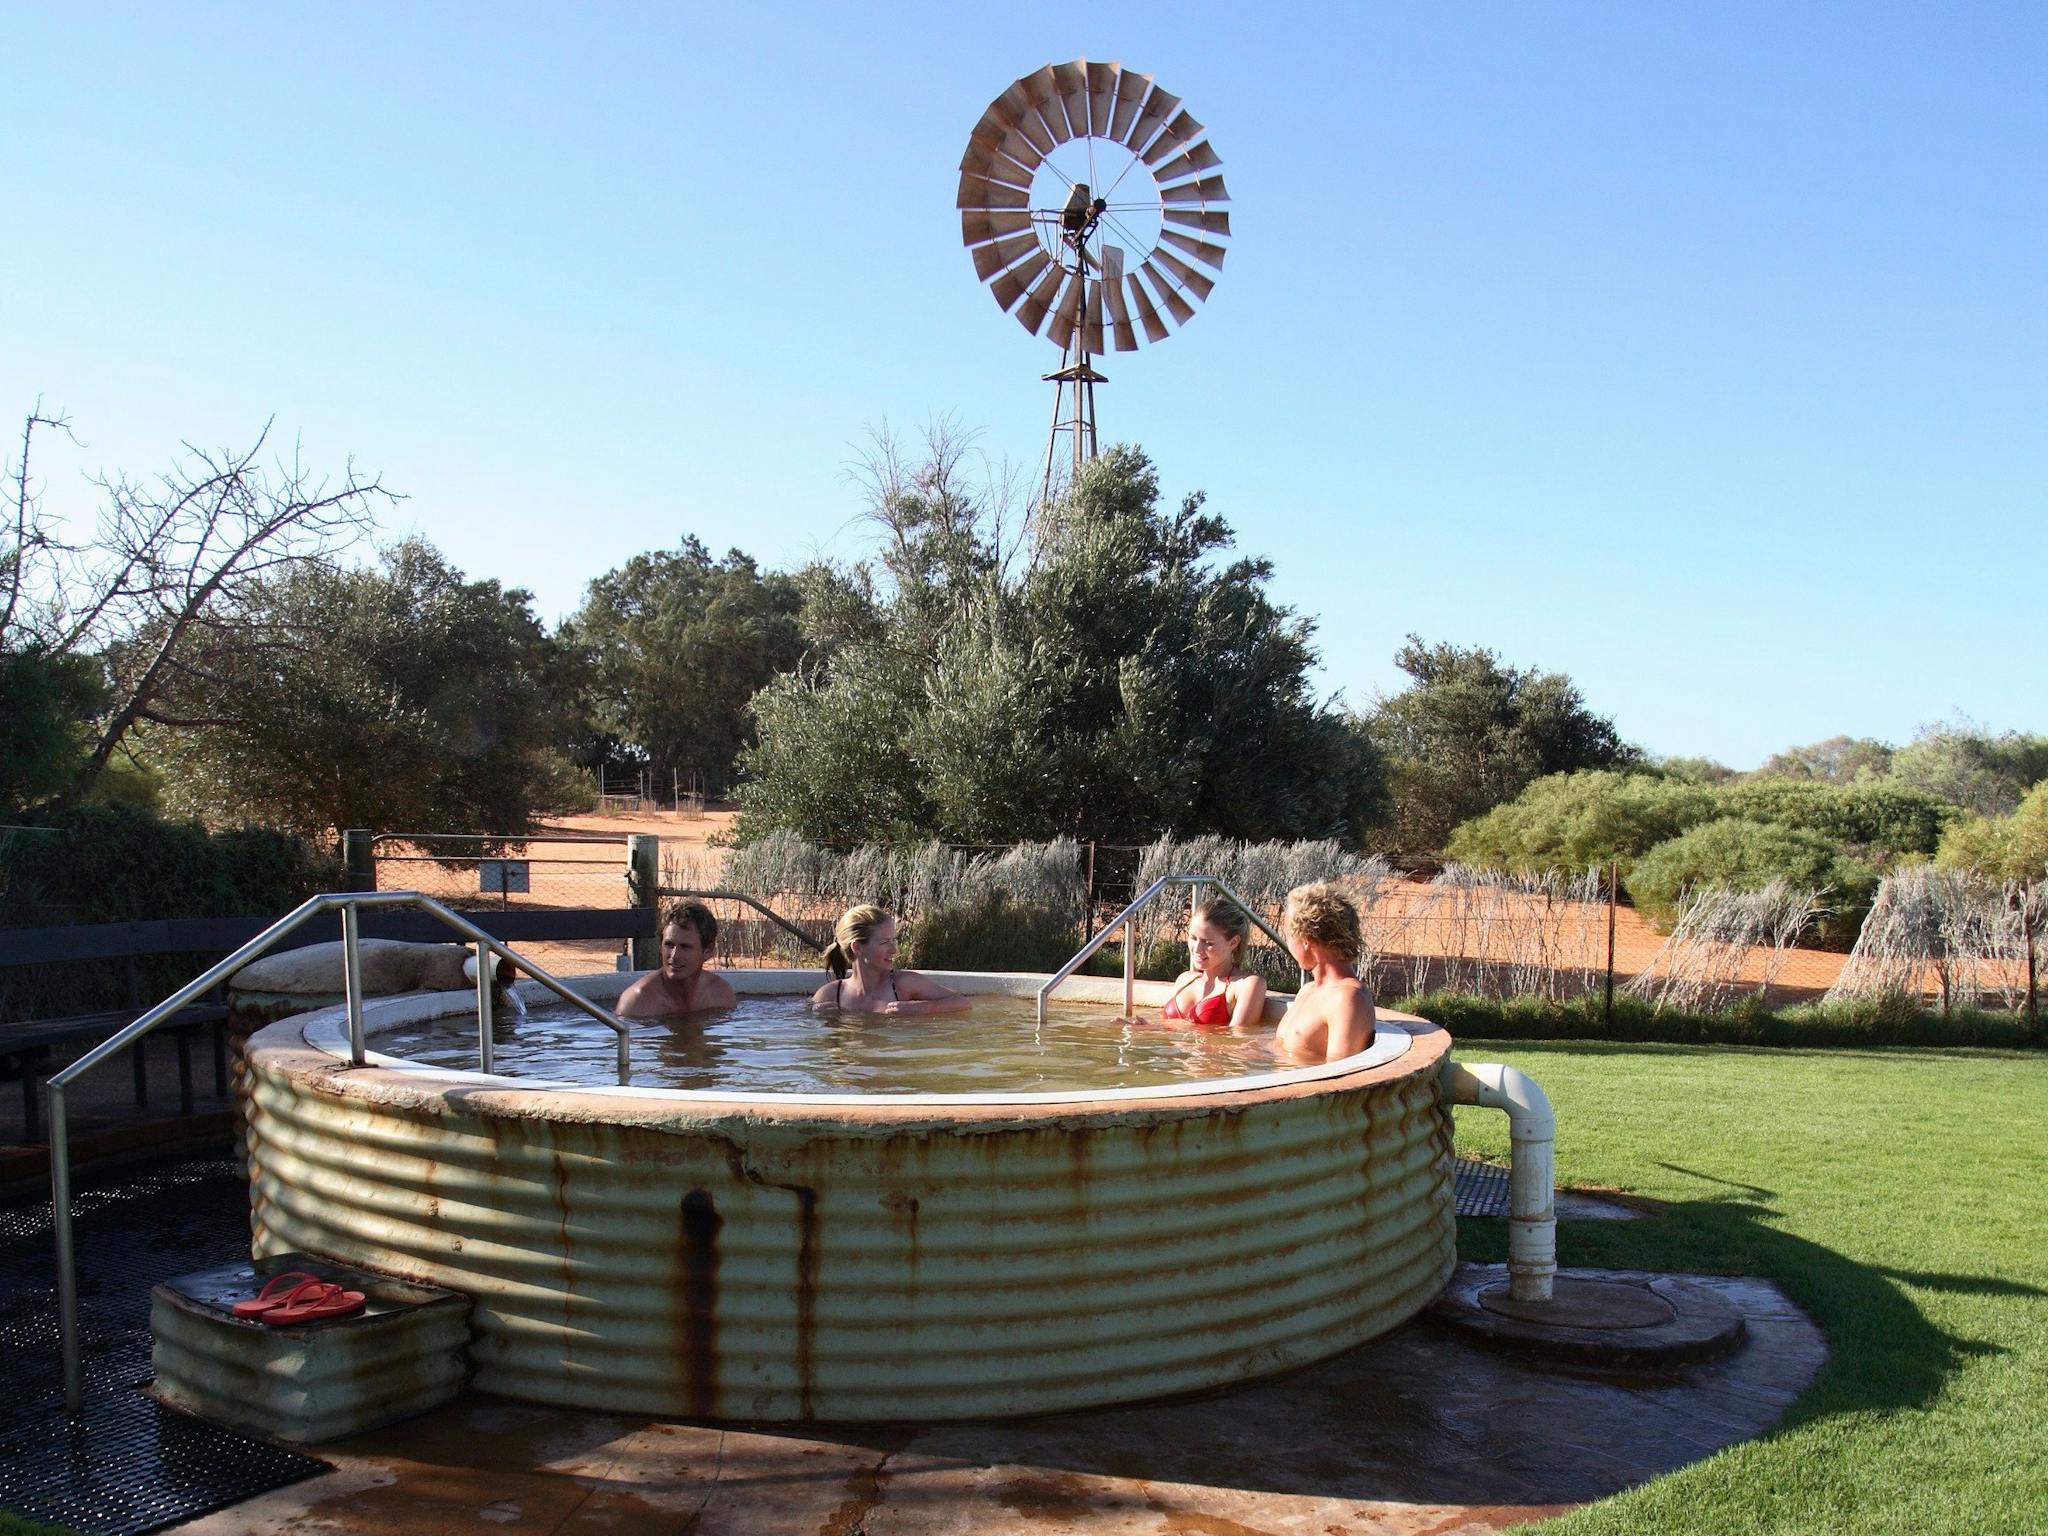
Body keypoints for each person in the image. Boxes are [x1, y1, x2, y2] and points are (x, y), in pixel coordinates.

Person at [1274, 881, 1376, 1063]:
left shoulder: (1348, 998)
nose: (1287, 942)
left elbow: (1341, 1072)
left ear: (1305, 940)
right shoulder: (1307, 991)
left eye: (1288, 935)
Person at [809, 904, 969, 1015]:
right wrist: (817, 1014)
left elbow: (962, 1003)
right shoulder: (831, 994)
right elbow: (802, 1014)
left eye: (893, 941)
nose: (894, 950)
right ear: (857, 947)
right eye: (885, 942)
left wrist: (923, 1008)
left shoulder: (903, 984)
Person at [1155, 897, 1268, 1032]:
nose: (1197, 949)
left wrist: (1181, 1027)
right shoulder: (1185, 979)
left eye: (1208, 943)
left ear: (1233, 942)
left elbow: (1238, 1039)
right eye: (1193, 938)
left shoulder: (1248, 985)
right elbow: (1165, 1031)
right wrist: (1144, 1028)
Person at [618, 900, 736, 1017]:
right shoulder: (637, 1003)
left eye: (685, 947)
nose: (674, 956)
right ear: (660, 946)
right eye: (669, 945)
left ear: (708, 951)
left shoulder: (720, 995)